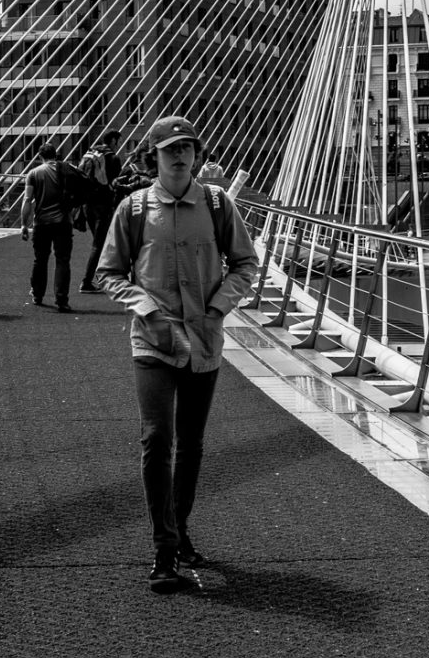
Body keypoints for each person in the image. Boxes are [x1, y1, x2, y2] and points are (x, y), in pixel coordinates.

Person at [97, 115, 255, 593]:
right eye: (170, 150)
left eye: (187, 148)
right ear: (155, 157)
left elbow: (245, 262)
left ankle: (181, 530)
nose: (180, 156)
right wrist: (145, 308)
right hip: (153, 341)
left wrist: (217, 306)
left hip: (204, 340)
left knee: (191, 444)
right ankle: (163, 548)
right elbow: (110, 272)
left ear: (197, 155)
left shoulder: (216, 202)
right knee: (156, 439)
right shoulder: (134, 208)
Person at [22, 143, 77, 311]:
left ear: (40, 156)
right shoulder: (67, 170)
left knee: (40, 259)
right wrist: (71, 216)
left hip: (42, 223)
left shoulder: (34, 173)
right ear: (56, 155)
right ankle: (61, 300)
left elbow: (27, 200)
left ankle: (38, 295)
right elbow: (75, 198)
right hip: (63, 222)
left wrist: (24, 224)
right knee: (62, 260)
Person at [75, 130, 129, 294]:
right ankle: (86, 282)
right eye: (118, 141)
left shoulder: (89, 154)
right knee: (99, 244)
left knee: (101, 242)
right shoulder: (112, 157)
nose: (118, 144)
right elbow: (115, 184)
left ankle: (101, 276)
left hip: (87, 205)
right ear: (113, 140)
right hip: (103, 205)